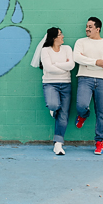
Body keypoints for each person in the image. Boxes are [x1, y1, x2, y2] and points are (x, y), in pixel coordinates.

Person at [73, 16, 103, 155]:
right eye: (86, 26)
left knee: (101, 113)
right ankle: (83, 115)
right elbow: (77, 58)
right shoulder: (80, 42)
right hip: (85, 78)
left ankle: (100, 142)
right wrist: (96, 62)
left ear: (98, 29)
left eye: (90, 27)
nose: (87, 29)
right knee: (81, 105)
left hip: (102, 80)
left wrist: (87, 61)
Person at [39, 26, 75, 155]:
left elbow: (71, 65)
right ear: (54, 38)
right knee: (54, 105)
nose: (63, 36)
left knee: (64, 115)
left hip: (66, 84)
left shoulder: (67, 49)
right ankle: (53, 111)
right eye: (60, 34)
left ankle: (58, 144)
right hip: (50, 84)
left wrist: (56, 65)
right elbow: (48, 68)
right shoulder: (45, 51)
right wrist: (63, 67)